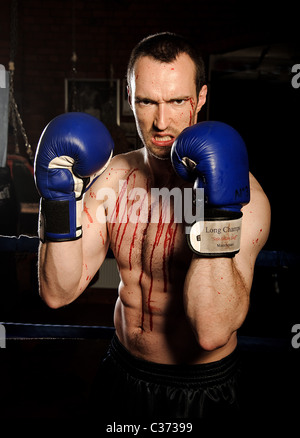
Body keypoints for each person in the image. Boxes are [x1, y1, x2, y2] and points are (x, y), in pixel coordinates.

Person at [35, 32, 271, 419]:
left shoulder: (243, 195)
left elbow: (212, 331)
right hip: (122, 372)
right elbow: (58, 293)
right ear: (130, 98)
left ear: (201, 98)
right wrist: (60, 199)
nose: (162, 121)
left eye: (178, 101)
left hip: (202, 389)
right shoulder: (111, 179)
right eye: (147, 101)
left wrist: (216, 212)